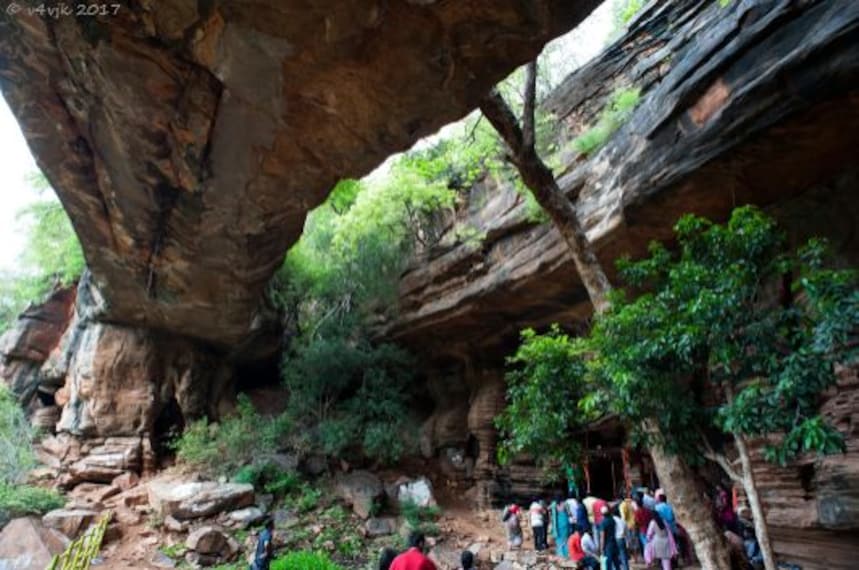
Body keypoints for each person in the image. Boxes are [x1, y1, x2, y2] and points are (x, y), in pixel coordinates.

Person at [597, 506, 622, 570]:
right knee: (616, 562)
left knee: (608, 564)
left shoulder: (602, 523)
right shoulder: (612, 520)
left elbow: (602, 537)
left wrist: (601, 548)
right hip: (614, 543)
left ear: (602, 514)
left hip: (607, 545)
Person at [633, 493, 653, 559]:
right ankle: (653, 557)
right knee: (650, 543)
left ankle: (648, 559)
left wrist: (635, 528)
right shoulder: (648, 510)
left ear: (637, 504)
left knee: (645, 545)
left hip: (642, 530)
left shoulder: (637, 512)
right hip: (649, 528)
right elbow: (651, 519)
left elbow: (636, 522)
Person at [612, 505, 630, 570]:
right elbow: (627, 533)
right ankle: (626, 568)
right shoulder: (623, 521)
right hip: (622, 539)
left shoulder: (612, 520)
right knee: (623, 556)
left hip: (615, 539)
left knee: (615, 556)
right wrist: (628, 542)